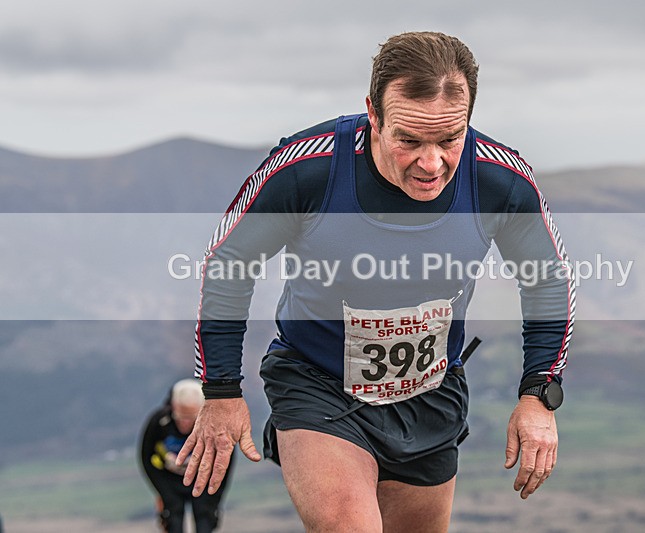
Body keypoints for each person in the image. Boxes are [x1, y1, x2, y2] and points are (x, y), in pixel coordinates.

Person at [179, 31, 575, 532]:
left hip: (430, 390)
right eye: (408, 140)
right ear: (373, 114)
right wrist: (221, 392)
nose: (431, 164)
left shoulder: (500, 180)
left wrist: (538, 394)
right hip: (318, 383)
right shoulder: (310, 169)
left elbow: (549, 282)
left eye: (450, 139)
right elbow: (227, 263)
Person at [140, 379, 234, 533]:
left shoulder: (215, 426)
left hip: (203, 481)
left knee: (205, 520)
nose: (185, 423)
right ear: (173, 407)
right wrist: (163, 492)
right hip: (170, 481)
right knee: (173, 522)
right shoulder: (159, 422)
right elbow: (146, 458)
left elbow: (225, 462)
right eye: (181, 416)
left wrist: (214, 496)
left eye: (192, 418)